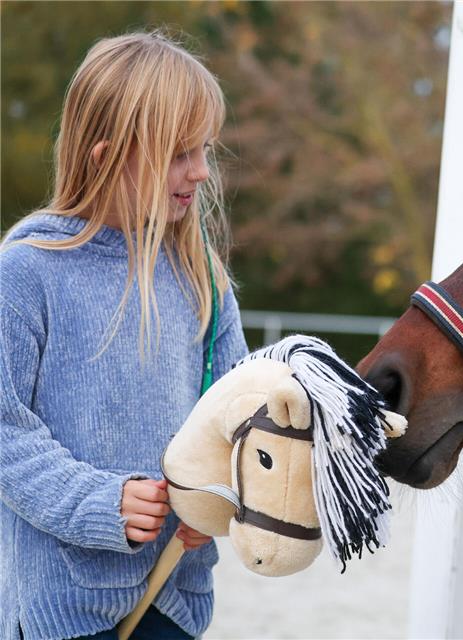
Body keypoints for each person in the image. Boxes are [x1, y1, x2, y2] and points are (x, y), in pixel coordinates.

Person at [0, 31, 248, 639]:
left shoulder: (202, 277)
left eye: (205, 150)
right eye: (178, 152)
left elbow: (233, 410)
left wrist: (216, 495)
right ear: (105, 154)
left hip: (175, 595)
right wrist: (101, 502)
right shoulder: (28, 268)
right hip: (62, 607)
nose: (199, 172)